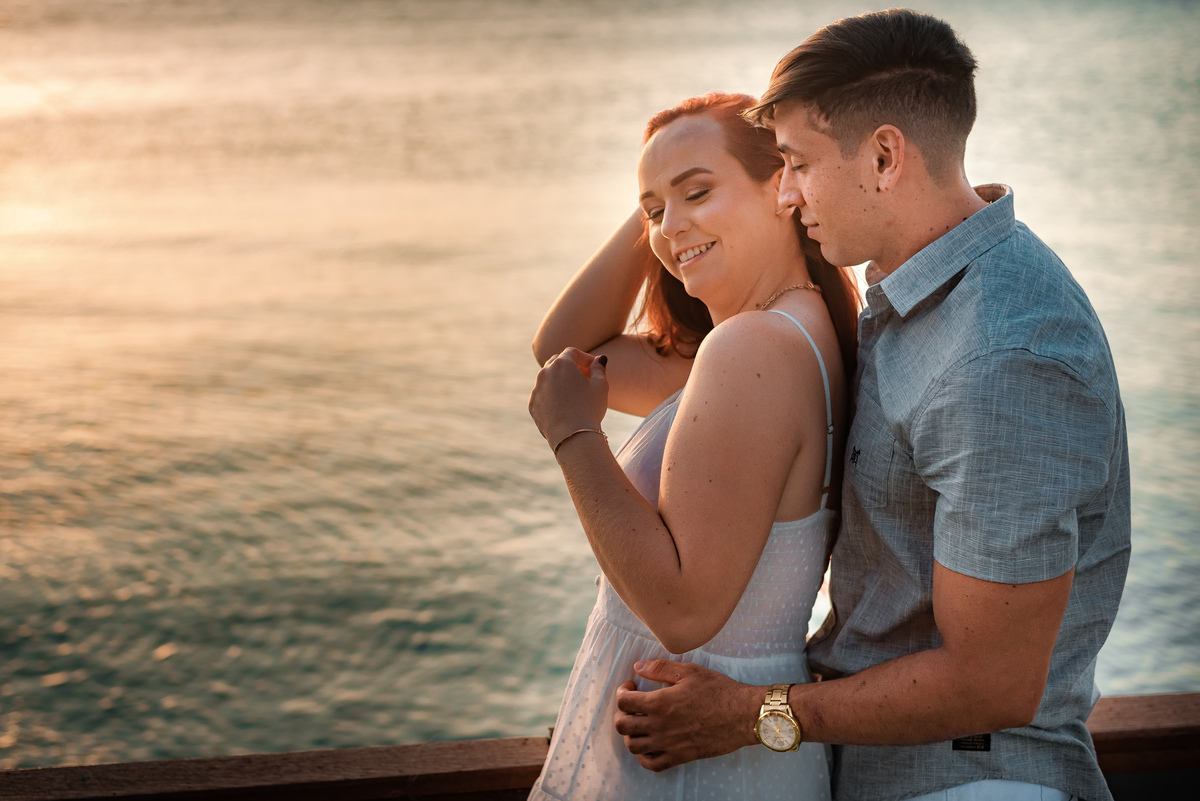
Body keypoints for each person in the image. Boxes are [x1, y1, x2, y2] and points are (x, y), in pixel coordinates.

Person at [611, 9, 1131, 801]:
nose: (785, 192)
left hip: (972, 784)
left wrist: (753, 715)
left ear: (885, 157)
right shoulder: (913, 294)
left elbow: (991, 683)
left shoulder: (1004, 355)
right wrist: (668, 205)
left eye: (798, 163)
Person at [526, 92, 860, 800]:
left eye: (700, 191)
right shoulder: (781, 336)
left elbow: (682, 613)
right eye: (653, 211)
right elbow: (565, 354)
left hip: (700, 764)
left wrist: (574, 437)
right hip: (720, 755)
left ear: (784, 187)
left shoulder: (753, 349)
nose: (670, 226)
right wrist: (670, 199)